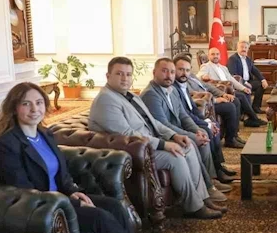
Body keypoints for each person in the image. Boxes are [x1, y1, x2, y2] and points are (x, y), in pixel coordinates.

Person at [0, 82, 185, 233]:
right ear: (14, 108)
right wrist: (67, 201)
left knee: (115, 207)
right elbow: (24, 190)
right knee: (99, 218)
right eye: (26, 104)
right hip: (42, 209)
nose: (34, 109)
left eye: (38, 102)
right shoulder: (7, 145)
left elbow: (62, 175)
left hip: (63, 200)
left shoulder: (45, 134)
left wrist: (75, 192)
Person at [89, 57, 223, 219]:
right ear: (108, 76)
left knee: (188, 146)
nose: (125, 78)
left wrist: (174, 135)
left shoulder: (129, 95)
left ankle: (202, 197)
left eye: (128, 74)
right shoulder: (106, 99)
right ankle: (194, 206)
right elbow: (127, 134)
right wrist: (164, 144)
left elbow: (154, 122)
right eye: (119, 74)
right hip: (131, 151)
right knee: (176, 157)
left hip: (147, 143)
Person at [140, 59, 231, 210]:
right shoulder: (151, 94)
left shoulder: (172, 89)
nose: (169, 75)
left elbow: (183, 115)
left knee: (203, 135)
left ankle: (208, 183)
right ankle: (207, 186)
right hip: (164, 136)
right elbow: (163, 125)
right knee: (193, 143)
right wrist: (193, 136)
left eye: (172, 72)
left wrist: (197, 130)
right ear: (154, 72)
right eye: (164, 71)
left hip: (176, 131)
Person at [171, 55, 238, 179]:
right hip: (183, 124)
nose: (184, 73)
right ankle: (216, 173)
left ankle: (219, 166)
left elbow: (193, 108)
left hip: (192, 117)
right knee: (207, 129)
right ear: (173, 69)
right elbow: (185, 114)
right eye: (180, 69)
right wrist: (206, 124)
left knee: (214, 124)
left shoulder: (184, 82)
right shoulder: (174, 88)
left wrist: (207, 120)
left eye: (187, 70)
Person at [179, 54, 245, 148]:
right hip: (206, 104)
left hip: (210, 98)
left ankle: (234, 135)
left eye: (188, 68)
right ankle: (230, 140)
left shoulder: (192, 75)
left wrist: (223, 94)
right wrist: (216, 100)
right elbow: (193, 96)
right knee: (230, 107)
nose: (185, 71)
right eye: (181, 69)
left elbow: (207, 86)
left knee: (235, 101)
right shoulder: (182, 81)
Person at [198, 47, 266, 127]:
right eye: (213, 54)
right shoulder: (206, 66)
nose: (215, 56)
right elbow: (199, 76)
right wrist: (203, 76)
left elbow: (232, 80)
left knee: (245, 92)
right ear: (209, 56)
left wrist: (243, 88)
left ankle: (248, 119)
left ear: (220, 56)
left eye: (217, 54)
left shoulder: (223, 68)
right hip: (219, 92)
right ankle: (254, 118)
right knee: (241, 96)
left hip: (229, 90)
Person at [227, 41, 268, 113]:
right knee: (247, 87)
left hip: (248, 81)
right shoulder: (233, 59)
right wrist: (245, 83)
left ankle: (255, 107)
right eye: (242, 47)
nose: (244, 49)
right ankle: (248, 111)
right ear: (237, 48)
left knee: (261, 85)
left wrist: (263, 80)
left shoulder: (248, 59)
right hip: (238, 83)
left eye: (245, 47)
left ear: (248, 49)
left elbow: (255, 70)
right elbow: (233, 75)